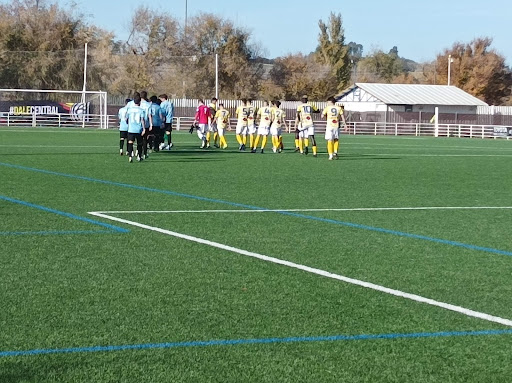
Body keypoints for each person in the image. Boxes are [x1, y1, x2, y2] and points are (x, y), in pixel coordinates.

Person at [125, 95, 146, 163]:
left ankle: (130, 156)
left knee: (130, 142)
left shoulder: (129, 110)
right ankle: (139, 156)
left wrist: (128, 123)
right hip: (138, 129)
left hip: (131, 129)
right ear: (140, 102)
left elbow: (126, 118)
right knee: (139, 143)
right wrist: (144, 129)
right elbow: (142, 120)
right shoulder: (141, 110)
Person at [139, 91, 153, 159]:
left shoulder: (138, 104)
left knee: (139, 139)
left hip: (138, 124)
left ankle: (138, 153)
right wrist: (151, 124)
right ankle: (144, 153)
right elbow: (149, 115)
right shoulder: (148, 105)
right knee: (145, 139)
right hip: (146, 123)